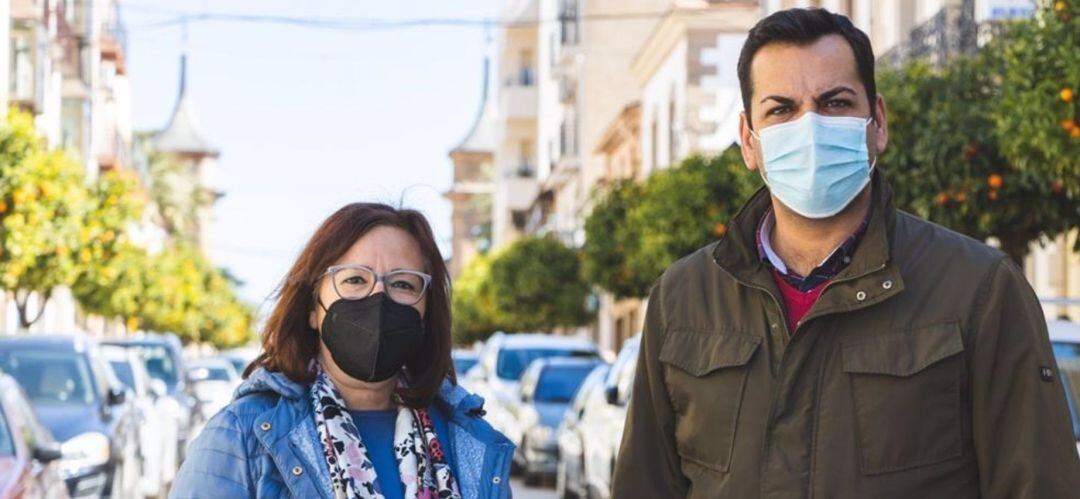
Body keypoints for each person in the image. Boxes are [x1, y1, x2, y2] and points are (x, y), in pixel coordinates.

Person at [612, 8, 1080, 499]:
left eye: (835, 103)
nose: (809, 127)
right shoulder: (683, 297)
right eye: (781, 110)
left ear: (877, 123)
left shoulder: (979, 290)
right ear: (749, 141)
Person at [171, 203, 514, 499]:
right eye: (354, 280)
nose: (378, 298)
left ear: (427, 314)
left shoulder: (469, 442)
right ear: (312, 308)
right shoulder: (241, 436)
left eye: (402, 284)